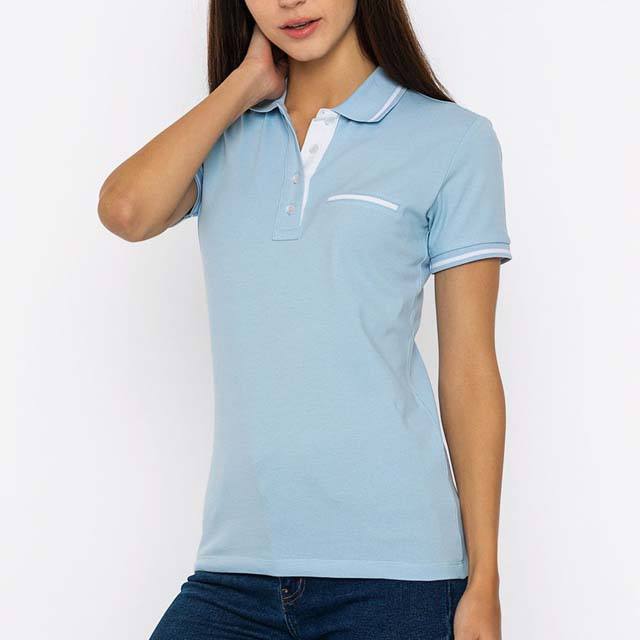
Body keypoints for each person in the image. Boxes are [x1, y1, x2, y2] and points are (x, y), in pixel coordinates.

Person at [98, 1, 512, 638]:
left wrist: (483, 581)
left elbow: (470, 370)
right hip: (236, 572)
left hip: (396, 578)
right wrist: (245, 84)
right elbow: (126, 211)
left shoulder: (453, 140)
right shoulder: (223, 136)